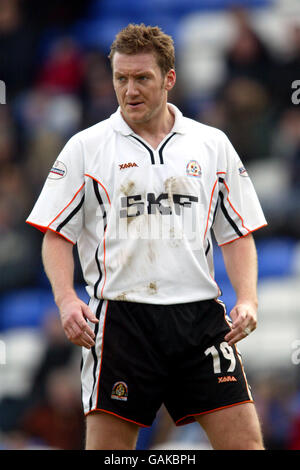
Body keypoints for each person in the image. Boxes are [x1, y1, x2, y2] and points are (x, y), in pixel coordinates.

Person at [26, 23, 267, 450]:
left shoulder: (211, 145)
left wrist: (247, 298)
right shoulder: (87, 146)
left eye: (142, 78)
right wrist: (66, 300)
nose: (129, 90)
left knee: (246, 446)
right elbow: (56, 234)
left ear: (169, 79)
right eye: (121, 78)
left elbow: (237, 232)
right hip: (121, 320)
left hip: (200, 319)